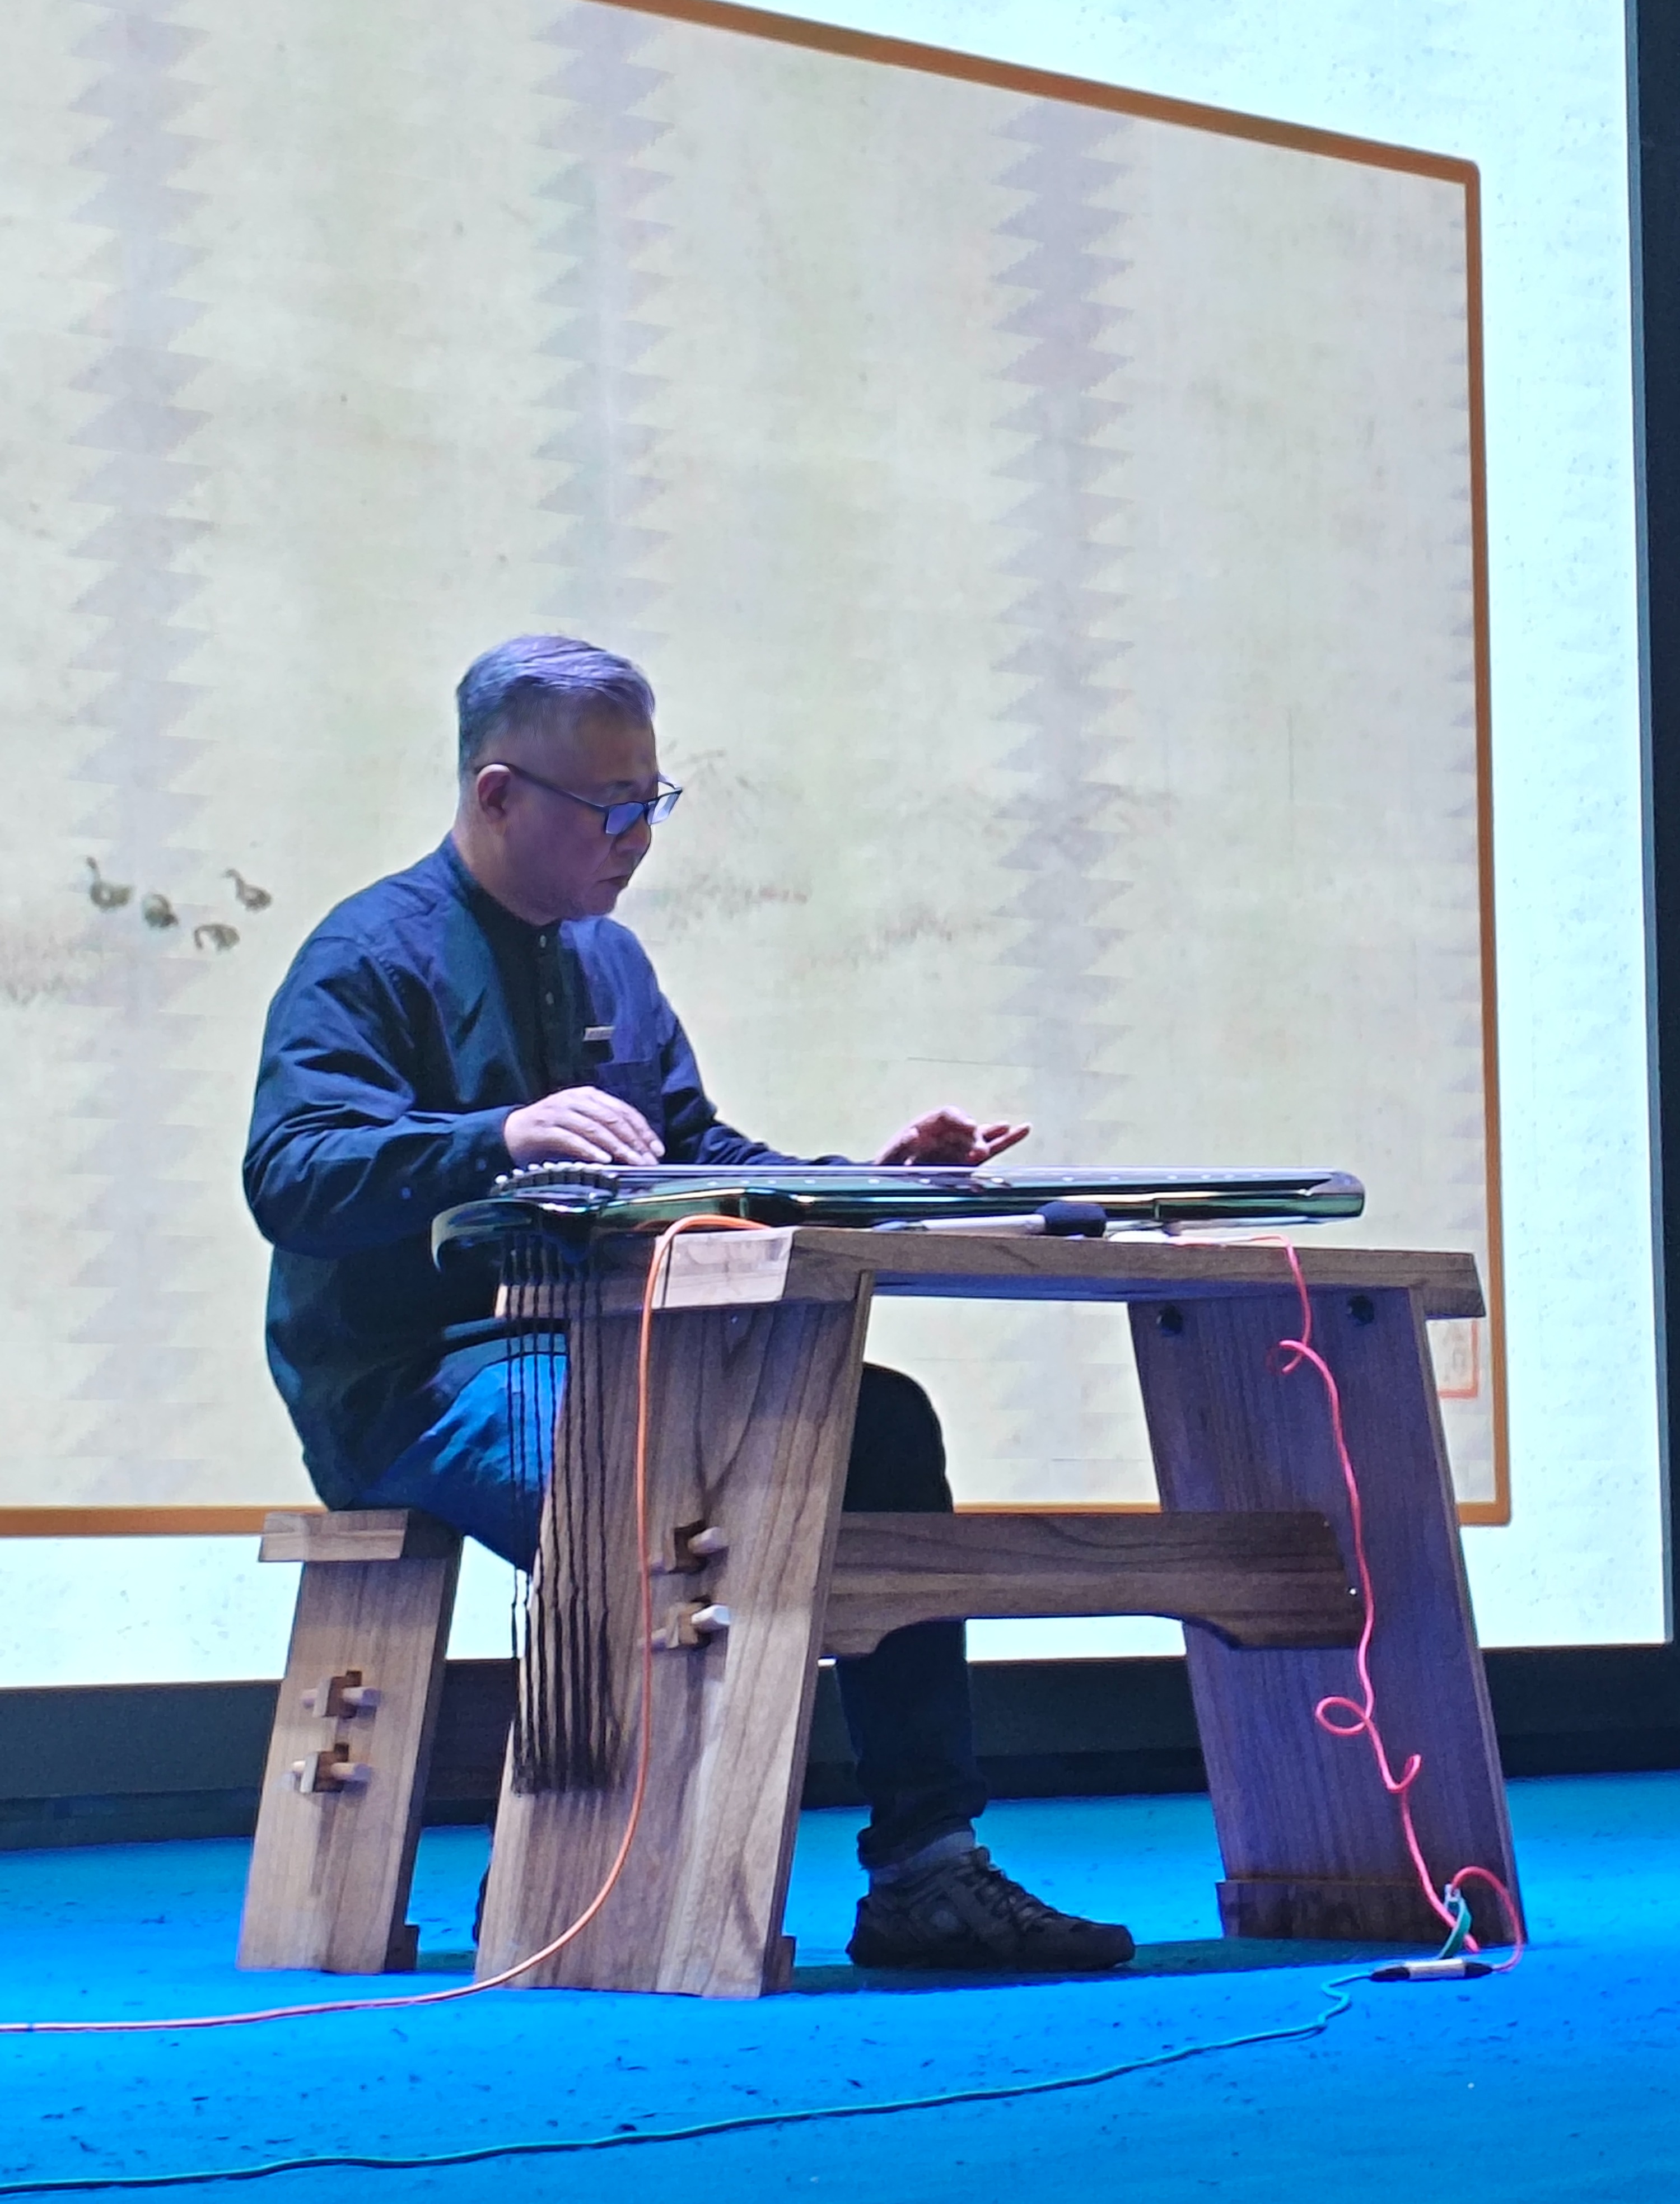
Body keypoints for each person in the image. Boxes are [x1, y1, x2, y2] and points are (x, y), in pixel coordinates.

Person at [244, 634, 1134, 1973]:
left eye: (652, 801)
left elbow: (693, 1158)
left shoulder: (610, 962)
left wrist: (869, 1184)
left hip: (605, 1356)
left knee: (880, 1424)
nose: (638, 838)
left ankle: (927, 1867)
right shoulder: (368, 954)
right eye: (608, 807)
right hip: (415, 1377)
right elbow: (291, 1172)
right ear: (497, 795)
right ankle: (563, 1861)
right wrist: (498, 1137)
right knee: (650, 1462)